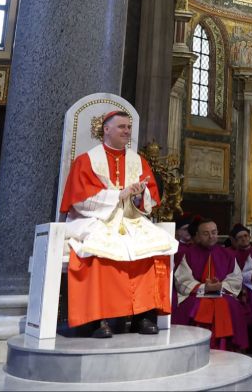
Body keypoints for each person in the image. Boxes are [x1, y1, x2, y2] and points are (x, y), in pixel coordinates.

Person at [60, 110, 177, 338]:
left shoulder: (138, 162)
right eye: (122, 127)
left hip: (129, 218)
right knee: (97, 248)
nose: (127, 131)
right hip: (96, 219)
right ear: (106, 129)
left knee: (154, 247)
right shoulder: (86, 161)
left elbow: (150, 199)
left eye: (129, 127)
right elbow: (80, 200)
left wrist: (138, 196)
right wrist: (118, 195)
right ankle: (96, 320)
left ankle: (143, 316)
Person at [173, 218, 249, 350]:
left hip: (222, 293)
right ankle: (194, 348)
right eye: (206, 233)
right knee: (193, 306)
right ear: (197, 235)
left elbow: (236, 279)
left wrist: (221, 286)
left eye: (213, 232)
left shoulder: (228, 254)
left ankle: (226, 348)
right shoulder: (189, 254)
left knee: (231, 305)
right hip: (197, 294)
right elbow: (183, 280)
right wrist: (204, 287)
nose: (211, 236)